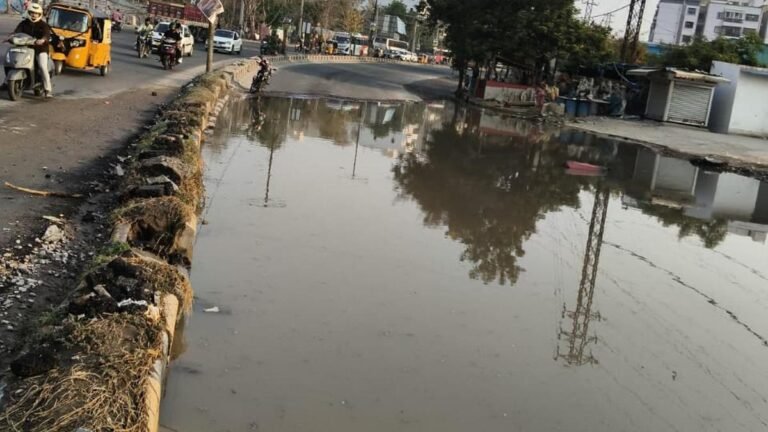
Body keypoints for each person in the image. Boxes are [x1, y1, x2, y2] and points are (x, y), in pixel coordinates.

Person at [7, 3, 52, 97]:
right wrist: (11, 36)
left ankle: (48, 89)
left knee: (42, 66)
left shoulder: (44, 25)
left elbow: (46, 35)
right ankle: (6, 81)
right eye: (32, 13)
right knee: (13, 61)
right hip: (25, 47)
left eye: (36, 13)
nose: (34, 15)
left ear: (40, 14)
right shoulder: (24, 23)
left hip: (40, 49)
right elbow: (17, 31)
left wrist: (43, 39)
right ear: (29, 13)